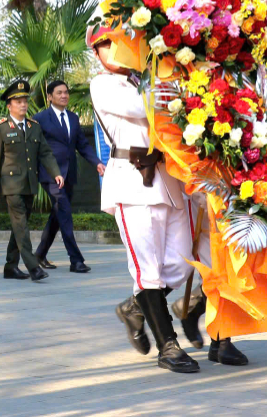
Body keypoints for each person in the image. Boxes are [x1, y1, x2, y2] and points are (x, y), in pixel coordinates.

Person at [88, 25, 207, 373]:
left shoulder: (145, 78)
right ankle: (167, 346)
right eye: (107, 45)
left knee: (183, 263)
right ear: (96, 54)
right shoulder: (103, 84)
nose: (116, 50)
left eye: (121, 42)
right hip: (131, 180)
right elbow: (145, 108)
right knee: (147, 269)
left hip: (167, 180)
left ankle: (135, 308)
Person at [0, 79, 62, 282]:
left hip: (29, 184)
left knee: (18, 226)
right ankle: (33, 267)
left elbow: (45, 152)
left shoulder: (33, 127)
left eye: (25, 101)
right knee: (21, 225)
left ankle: (10, 267)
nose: (23, 104)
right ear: (9, 105)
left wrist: (55, 172)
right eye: (18, 101)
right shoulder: (1, 128)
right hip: (10, 186)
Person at [33, 80, 104, 273]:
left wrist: (97, 162)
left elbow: (82, 144)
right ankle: (76, 260)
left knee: (58, 215)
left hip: (70, 174)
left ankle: (39, 254)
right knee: (64, 213)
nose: (64, 95)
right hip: (51, 175)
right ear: (49, 97)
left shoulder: (73, 118)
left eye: (66, 92)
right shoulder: (40, 118)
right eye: (59, 93)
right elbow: (34, 148)